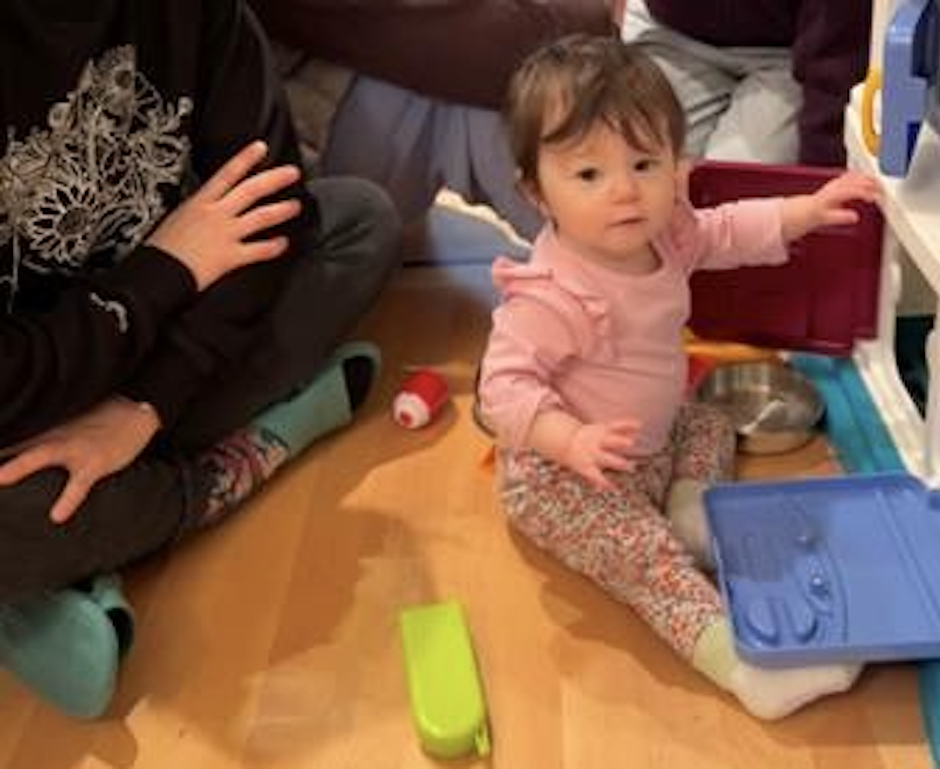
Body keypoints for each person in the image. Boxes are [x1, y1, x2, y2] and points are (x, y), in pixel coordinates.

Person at [0, 0, 402, 718]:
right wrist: (163, 268)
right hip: (29, 399)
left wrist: (146, 402)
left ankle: (83, 543)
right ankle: (234, 464)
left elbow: (270, 209)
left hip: (154, 351)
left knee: (357, 225)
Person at [477, 34, 881, 720]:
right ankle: (748, 666)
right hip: (566, 478)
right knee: (646, 557)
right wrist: (569, 439)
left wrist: (803, 212)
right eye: (588, 175)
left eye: (644, 162)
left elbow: (727, 231)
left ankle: (692, 506)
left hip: (653, 441)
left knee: (710, 418)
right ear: (534, 191)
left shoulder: (667, 234)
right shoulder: (552, 293)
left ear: (677, 163)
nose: (625, 191)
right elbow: (502, 390)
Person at [249, 0, 616, 240]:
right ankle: (618, 282)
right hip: (295, 184)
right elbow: (530, 40)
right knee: (527, 85)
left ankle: (623, 280)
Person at [620, 0, 872, 167]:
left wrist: (825, 177)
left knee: (743, 184)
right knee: (642, 166)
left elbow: (838, 50)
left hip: (788, 51)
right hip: (669, 34)